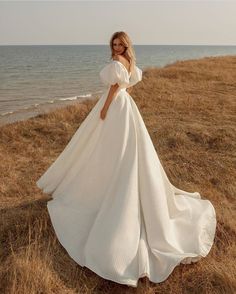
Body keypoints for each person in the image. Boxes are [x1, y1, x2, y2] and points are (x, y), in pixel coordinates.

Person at [36, 31, 217, 287]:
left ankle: (105, 181)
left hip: (117, 106)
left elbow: (113, 88)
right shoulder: (131, 64)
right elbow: (127, 85)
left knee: (109, 146)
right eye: (114, 43)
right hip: (127, 106)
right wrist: (120, 98)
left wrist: (105, 108)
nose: (117, 46)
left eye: (121, 44)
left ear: (126, 45)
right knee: (124, 147)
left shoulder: (115, 65)